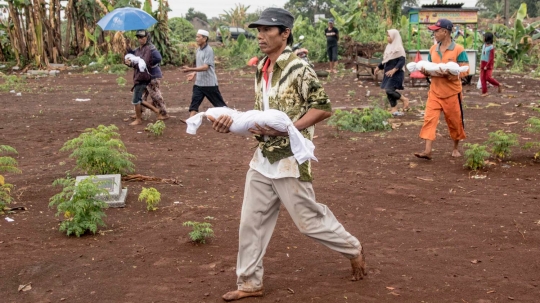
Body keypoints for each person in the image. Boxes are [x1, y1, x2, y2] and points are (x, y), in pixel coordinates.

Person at [208, 8, 366, 302]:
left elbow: (323, 107)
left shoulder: (299, 68)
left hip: (290, 158)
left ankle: (352, 247)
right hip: (263, 157)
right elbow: (262, 112)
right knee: (250, 222)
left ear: (285, 33)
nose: (261, 35)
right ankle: (250, 282)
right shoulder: (261, 67)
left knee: (308, 221)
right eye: (259, 30)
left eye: (269, 30)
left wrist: (292, 128)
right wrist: (232, 124)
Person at [415, 19, 469, 160]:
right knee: (429, 119)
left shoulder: (459, 49)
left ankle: (456, 148)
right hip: (435, 91)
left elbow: (465, 70)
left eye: (436, 31)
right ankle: (427, 151)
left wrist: (450, 74)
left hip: (452, 93)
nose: (434, 33)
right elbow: (430, 66)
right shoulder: (433, 49)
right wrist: (426, 72)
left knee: (454, 121)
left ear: (445, 32)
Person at [125, 30, 169, 125]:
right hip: (143, 76)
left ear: (147, 37)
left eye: (142, 37)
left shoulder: (151, 48)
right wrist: (127, 47)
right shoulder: (140, 48)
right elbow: (134, 54)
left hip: (152, 75)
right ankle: (139, 112)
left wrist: (147, 64)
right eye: (138, 37)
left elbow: (158, 58)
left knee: (155, 95)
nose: (140, 39)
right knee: (142, 95)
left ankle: (163, 113)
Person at [182, 29, 227, 117]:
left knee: (220, 105)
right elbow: (200, 64)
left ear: (205, 38)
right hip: (199, 82)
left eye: (198, 37)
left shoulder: (209, 50)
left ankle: (231, 117)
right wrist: (194, 73)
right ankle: (191, 120)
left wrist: (190, 69)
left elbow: (206, 67)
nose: (196, 39)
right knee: (195, 101)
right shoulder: (198, 50)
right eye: (196, 37)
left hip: (209, 83)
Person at [374, 29, 409, 116]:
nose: (387, 37)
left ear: (394, 37)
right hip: (388, 73)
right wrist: (378, 67)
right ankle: (394, 109)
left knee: (389, 90)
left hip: (396, 73)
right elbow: (385, 60)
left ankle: (404, 99)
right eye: (387, 35)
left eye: (389, 36)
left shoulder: (399, 48)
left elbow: (402, 61)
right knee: (388, 90)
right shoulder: (388, 47)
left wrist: (394, 70)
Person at [480, 32, 502, 97]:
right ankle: (484, 92)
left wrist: (487, 66)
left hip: (488, 65)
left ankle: (498, 84)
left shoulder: (491, 47)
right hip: (482, 63)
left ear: (487, 38)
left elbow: (491, 58)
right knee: (482, 78)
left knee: (488, 77)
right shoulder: (484, 45)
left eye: (484, 37)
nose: (483, 38)